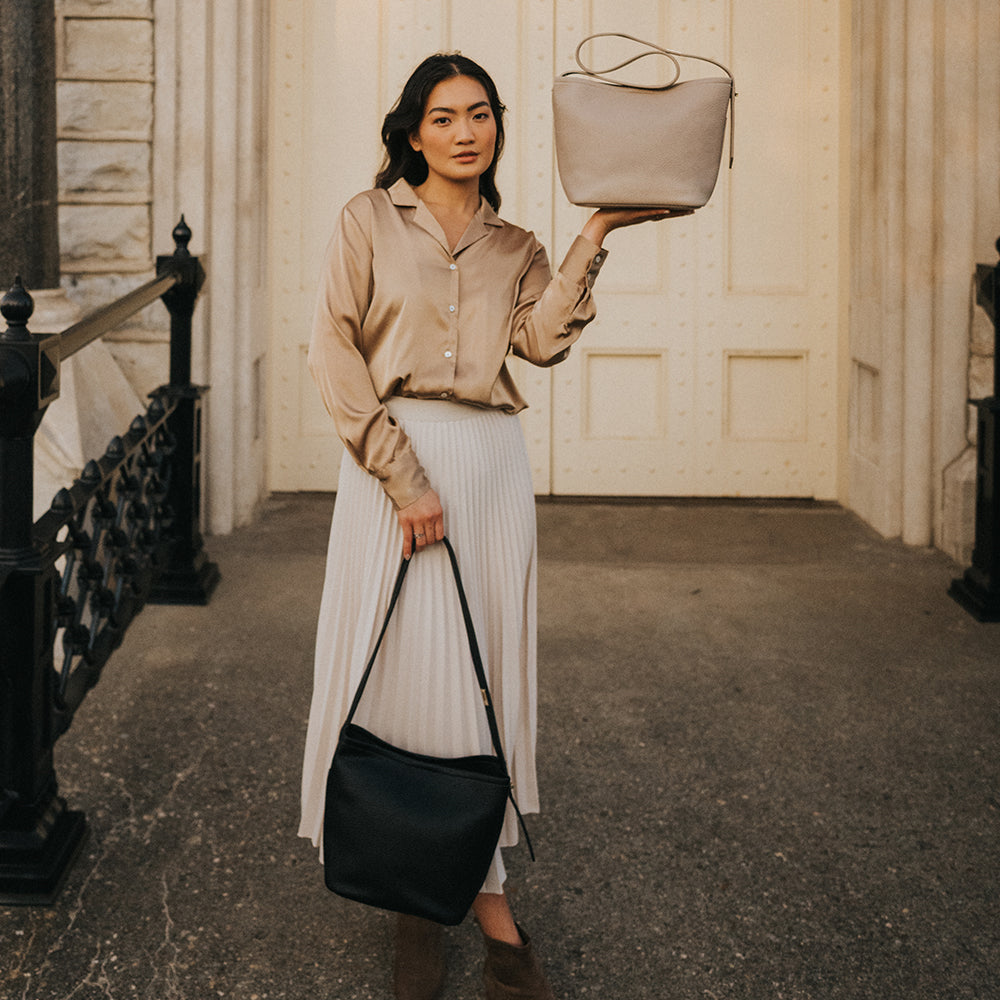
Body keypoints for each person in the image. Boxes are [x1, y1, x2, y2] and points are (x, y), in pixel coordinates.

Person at [298, 52, 691, 1000]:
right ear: (412, 132)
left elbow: (543, 342)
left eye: (480, 114)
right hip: (393, 469)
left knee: (474, 689)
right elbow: (335, 353)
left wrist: (593, 230)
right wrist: (403, 477)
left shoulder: (516, 245)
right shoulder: (365, 219)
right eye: (443, 118)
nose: (465, 132)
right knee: (396, 684)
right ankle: (478, 917)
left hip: (487, 472)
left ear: (498, 128)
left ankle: (433, 900)